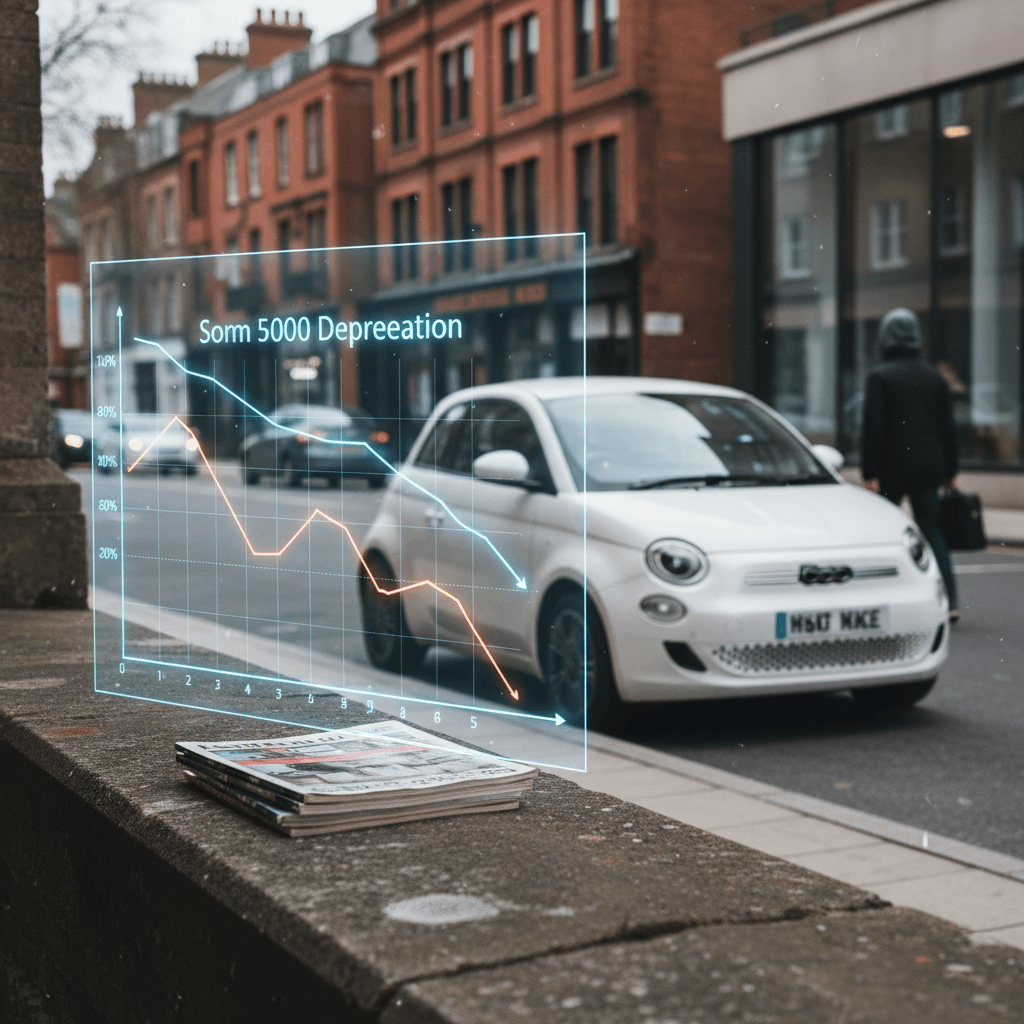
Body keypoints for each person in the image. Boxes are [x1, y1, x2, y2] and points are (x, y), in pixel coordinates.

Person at [860, 308, 960, 621]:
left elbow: (873, 429)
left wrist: (869, 472)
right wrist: (952, 470)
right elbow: (948, 428)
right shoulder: (935, 377)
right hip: (929, 468)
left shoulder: (880, 377)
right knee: (932, 533)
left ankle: (881, 597)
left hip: (892, 468)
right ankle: (951, 600)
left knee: (885, 533)